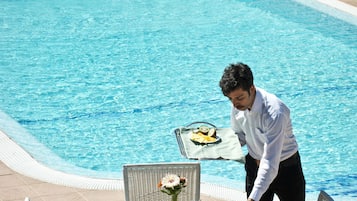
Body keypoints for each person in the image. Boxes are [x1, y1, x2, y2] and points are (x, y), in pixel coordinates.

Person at [219, 62, 305, 201]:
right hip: (254, 165)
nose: (234, 104)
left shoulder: (275, 113)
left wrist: (253, 198)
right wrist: (214, 148)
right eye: (231, 99)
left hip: (286, 169)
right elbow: (240, 135)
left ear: (251, 89)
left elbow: (270, 162)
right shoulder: (238, 105)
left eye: (239, 98)